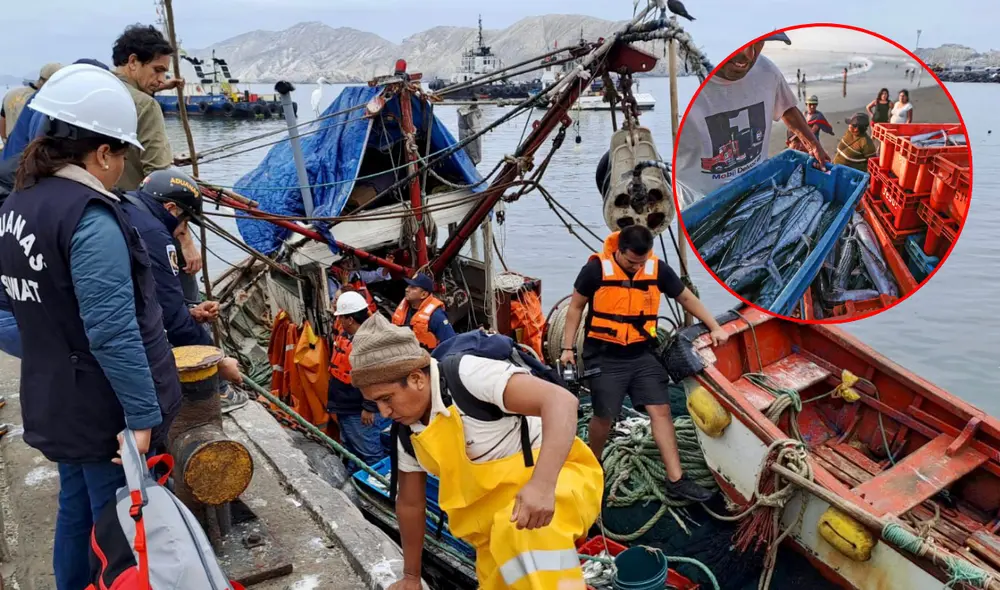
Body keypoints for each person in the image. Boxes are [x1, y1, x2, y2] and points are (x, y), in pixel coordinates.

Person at [0, 63, 181, 590]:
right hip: (103, 407)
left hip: (55, 393)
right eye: (122, 154)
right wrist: (143, 415)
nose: (122, 169)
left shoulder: (18, 205)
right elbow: (112, 329)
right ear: (103, 153)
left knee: (75, 511)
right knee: (120, 523)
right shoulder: (89, 216)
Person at [351, 313, 603, 590]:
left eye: (387, 399)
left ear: (416, 379)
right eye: (376, 403)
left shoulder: (467, 375)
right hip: (492, 532)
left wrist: (542, 485)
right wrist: (411, 577)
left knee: (525, 534)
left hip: (558, 480)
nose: (384, 413)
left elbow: (561, 401)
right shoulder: (409, 433)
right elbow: (411, 504)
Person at [560, 225, 729, 502]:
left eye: (641, 262)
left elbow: (685, 298)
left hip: (642, 354)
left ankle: (676, 479)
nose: (637, 267)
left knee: (661, 409)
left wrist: (714, 327)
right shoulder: (595, 270)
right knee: (604, 414)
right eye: (630, 262)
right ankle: (594, 464)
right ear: (619, 251)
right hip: (604, 355)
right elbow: (576, 307)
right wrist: (567, 348)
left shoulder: (657, 269)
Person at [118, 169, 249, 412]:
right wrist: (218, 361)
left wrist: (189, 311)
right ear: (170, 209)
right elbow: (174, 322)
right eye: (185, 223)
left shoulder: (125, 208)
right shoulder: (155, 235)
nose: (182, 231)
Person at [674, 34, 831, 209]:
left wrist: (812, 144)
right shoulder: (679, 89)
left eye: (758, 42)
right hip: (700, 205)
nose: (749, 55)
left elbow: (786, 106)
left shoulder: (767, 71)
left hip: (759, 192)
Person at [112, 25, 203, 311]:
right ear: (133, 61)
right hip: (144, 223)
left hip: (104, 219)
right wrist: (186, 242)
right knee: (185, 303)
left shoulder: (99, 93)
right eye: (157, 70)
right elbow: (165, 187)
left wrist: (156, 84)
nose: (160, 79)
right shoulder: (145, 106)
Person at [328, 291, 392, 465]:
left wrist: (369, 407)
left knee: (369, 452)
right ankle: (352, 479)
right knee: (350, 448)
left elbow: (379, 377)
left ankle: (377, 486)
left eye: (341, 317)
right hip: (345, 405)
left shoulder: (368, 344)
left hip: (358, 410)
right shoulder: (349, 335)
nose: (339, 321)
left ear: (350, 319)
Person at [391, 272, 456, 350]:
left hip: (425, 356)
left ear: (424, 295)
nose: (406, 289)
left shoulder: (436, 316)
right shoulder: (404, 307)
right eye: (408, 286)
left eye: (413, 287)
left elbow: (450, 343)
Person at [0, 63, 61, 142]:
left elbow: (2, 128)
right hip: (30, 150)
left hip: (10, 147)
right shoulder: (43, 101)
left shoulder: (11, 94)